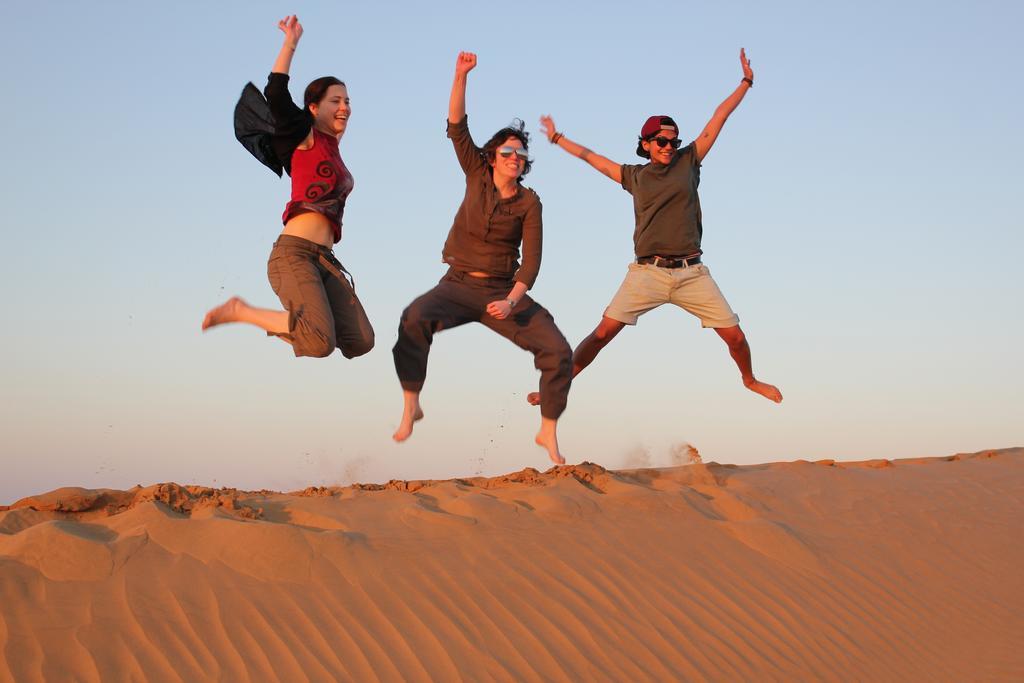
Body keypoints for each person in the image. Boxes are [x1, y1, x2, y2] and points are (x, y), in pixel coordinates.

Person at [530, 49, 781, 405]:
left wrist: (746, 82)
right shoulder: (634, 176)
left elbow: (718, 117)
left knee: (736, 337)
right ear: (646, 144)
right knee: (602, 332)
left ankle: (750, 380)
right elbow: (593, 159)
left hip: (692, 273)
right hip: (648, 272)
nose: (668, 146)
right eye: (661, 141)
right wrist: (557, 139)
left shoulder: (689, 160)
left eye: (673, 141)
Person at [392, 52, 573, 464]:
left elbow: (532, 261)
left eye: (521, 155)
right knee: (413, 318)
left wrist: (512, 300)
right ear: (493, 156)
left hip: (502, 292)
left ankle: (548, 432)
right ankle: (411, 404)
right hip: (456, 286)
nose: (515, 158)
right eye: (508, 152)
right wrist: (460, 76)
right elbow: (457, 127)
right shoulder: (476, 172)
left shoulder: (530, 203)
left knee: (558, 351)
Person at [202, 15, 374, 361]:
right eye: (335, 101)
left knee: (360, 341)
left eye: (348, 101)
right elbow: (276, 93)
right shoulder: (304, 137)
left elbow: (337, 129)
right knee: (320, 343)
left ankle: (312, 325)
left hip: (324, 260)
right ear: (313, 108)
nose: (344, 107)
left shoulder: (333, 149)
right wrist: (290, 43)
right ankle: (241, 310)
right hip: (294, 254)